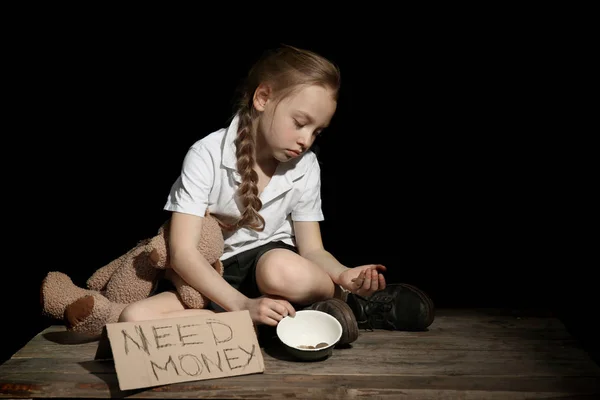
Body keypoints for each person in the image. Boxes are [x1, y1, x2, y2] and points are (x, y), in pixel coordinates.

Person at [118, 44, 433, 338]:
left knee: (278, 270)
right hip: (218, 276)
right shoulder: (206, 155)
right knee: (134, 319)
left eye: (317, 131)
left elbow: (311, 250)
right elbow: (184, 254)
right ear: (263, 98)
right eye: (300, 123)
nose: (306, 140)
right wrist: (242, 305)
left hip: (274, 266)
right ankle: (275, 320)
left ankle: (349, 303)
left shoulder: (306, 165)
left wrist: (343, 275)